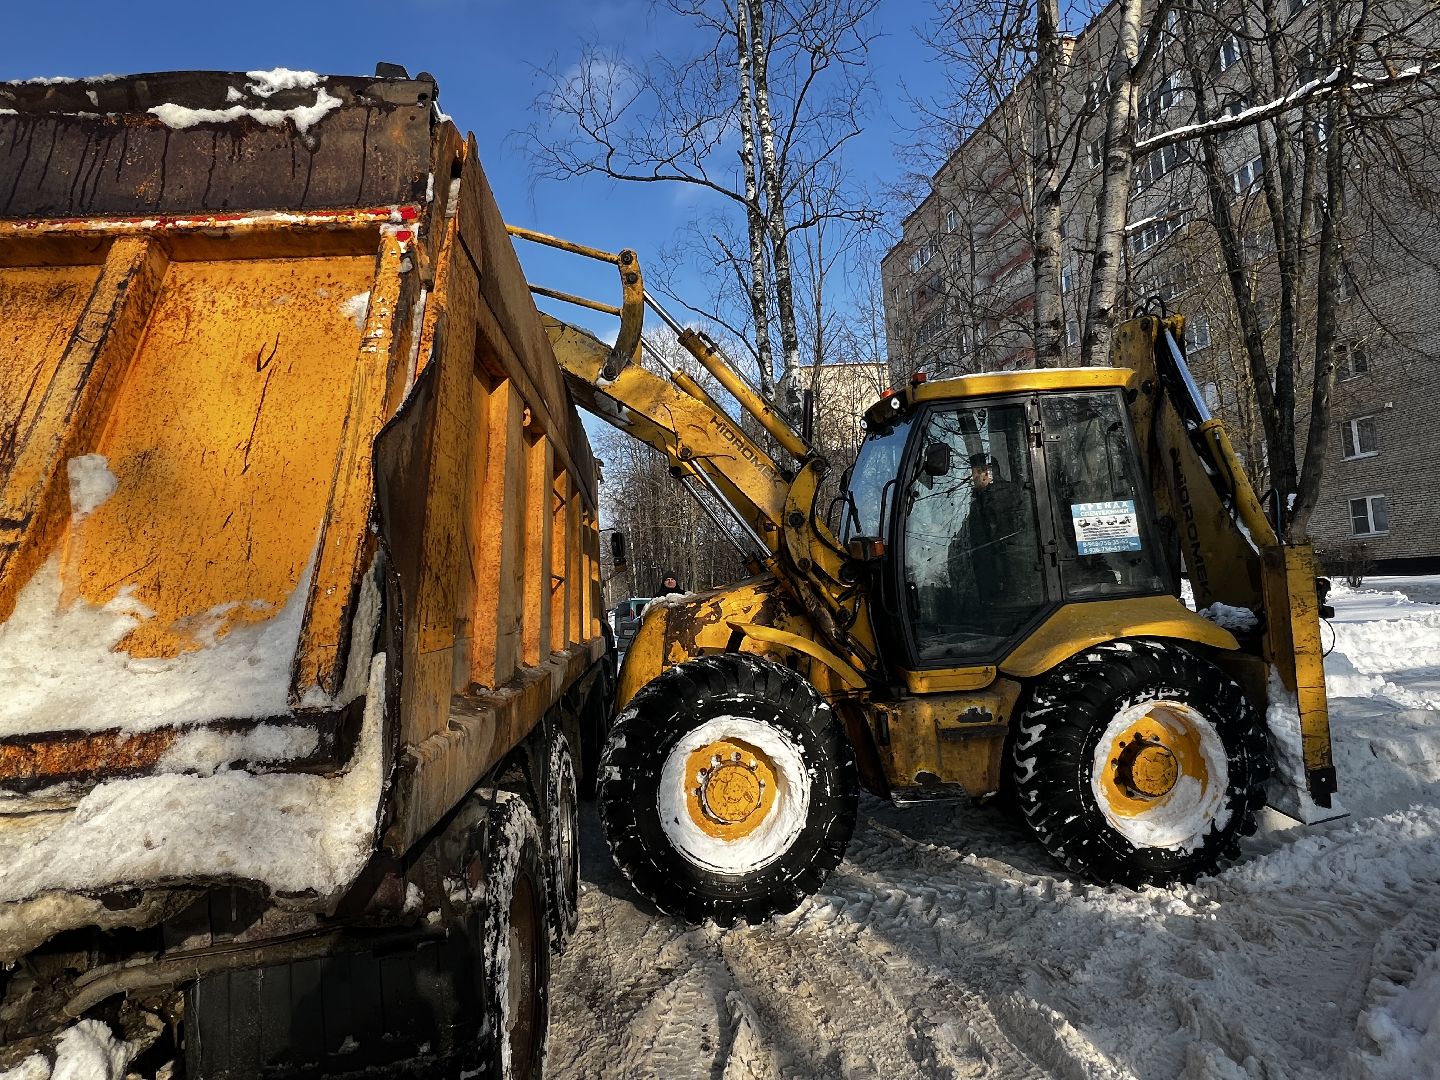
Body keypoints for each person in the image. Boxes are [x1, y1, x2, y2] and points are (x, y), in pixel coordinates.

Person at [964, 452, 1030, 605]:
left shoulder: (1000, 496)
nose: (973, 482)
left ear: (986, 474)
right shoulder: (989, 497)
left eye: (974, 477)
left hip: (1007, 563)